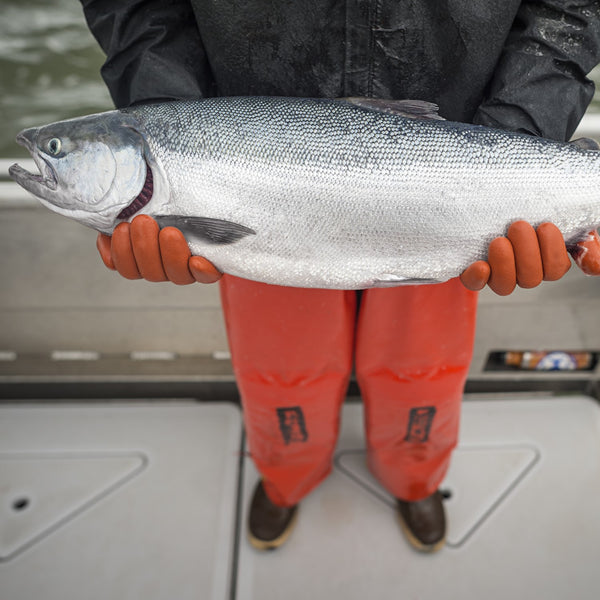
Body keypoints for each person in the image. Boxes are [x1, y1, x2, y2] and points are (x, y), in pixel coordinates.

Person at [81, 0, 600, 552]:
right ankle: (288, 479)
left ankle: (413, 480)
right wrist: (177, 126)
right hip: (253, 177)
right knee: (282, 368)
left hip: (446, 183)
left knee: (421, 367)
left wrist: (518, 138)